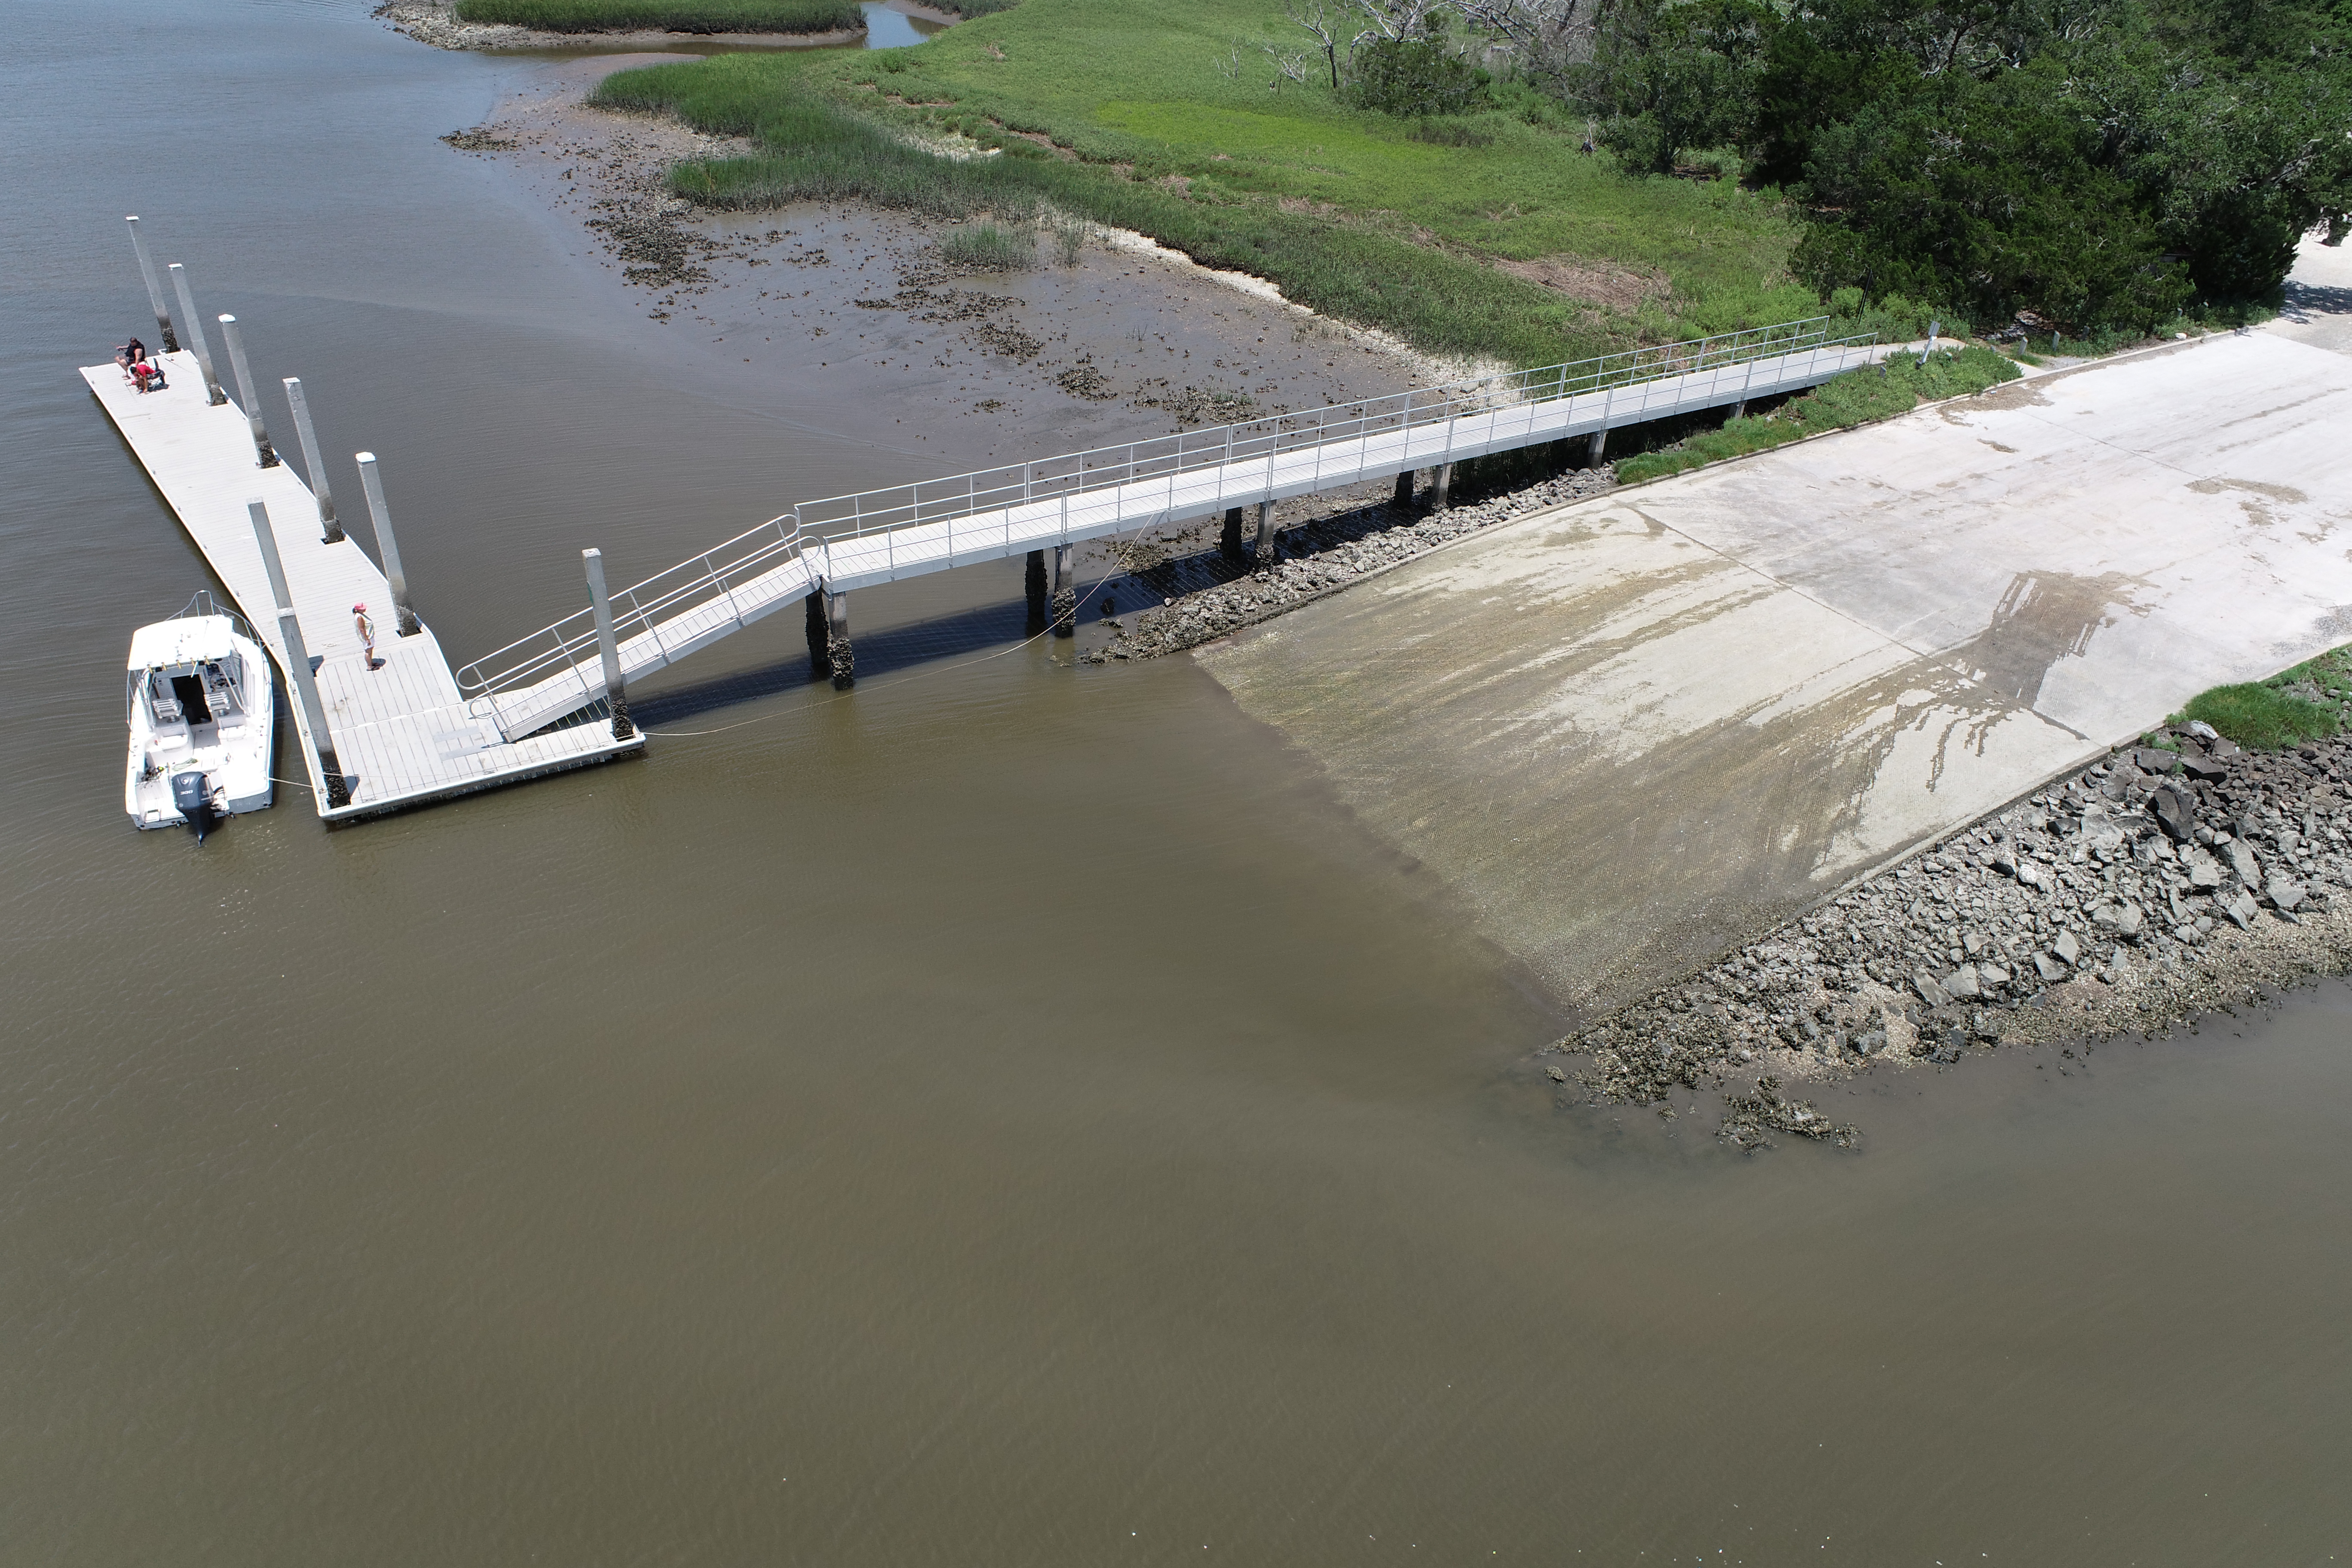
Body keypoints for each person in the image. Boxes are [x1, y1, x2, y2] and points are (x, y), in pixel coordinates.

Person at [354, 603, 381, 671]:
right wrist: (367, 639)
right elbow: (362, 629)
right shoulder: (360, 618)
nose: (365, 609)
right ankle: (370, 666)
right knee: (368, 651)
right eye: (362, 609)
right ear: (358, 610)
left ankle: (371, 662)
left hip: (369, 636)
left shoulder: (360, 615)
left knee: (370, 650)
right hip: (367, 637)